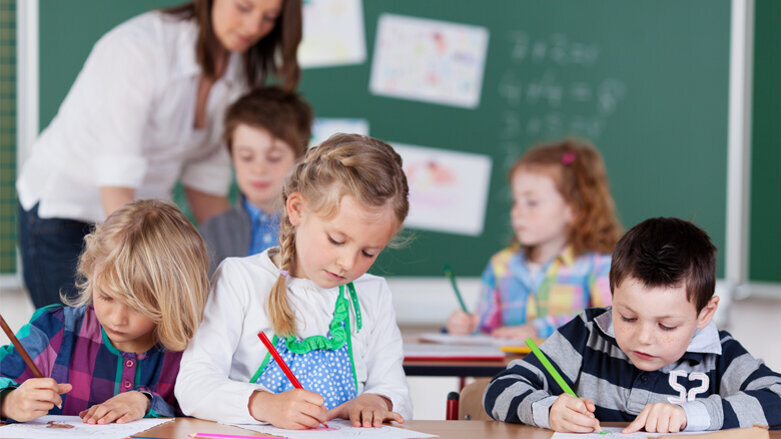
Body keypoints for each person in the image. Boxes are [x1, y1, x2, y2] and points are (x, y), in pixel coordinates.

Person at [16, 0, 302, 308]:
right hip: (67, 211)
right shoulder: (139, 50)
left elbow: (205, 184)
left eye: (269, 17)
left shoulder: (241, 70)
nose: (253, 27)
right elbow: (117, 180)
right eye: (243, 8)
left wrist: (242, 277)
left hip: (142, 215)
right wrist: (150, 270)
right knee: (84, 341)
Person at [175, 134, 413, 429]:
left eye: (369, 252)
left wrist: (377, 401)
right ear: (297, 209)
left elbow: (395, 390)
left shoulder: (372, 294)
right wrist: (265, 405)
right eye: (337, 240)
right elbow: (193, 387)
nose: (348, 263)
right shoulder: (240, 279)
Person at [483, 217, 781, 433]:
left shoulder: (719, 355)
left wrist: (689, 415)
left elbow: (777, 397)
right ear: (612, 294)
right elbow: (500, 389)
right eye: (628, 317)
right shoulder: (586, 333)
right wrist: (548, 411)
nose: (643, 338)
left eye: (667, 326)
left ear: (704, 313)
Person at [0, 199, 210, 423]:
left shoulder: (195, 347)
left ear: (177, 297)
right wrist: (8, 402)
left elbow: (213, 412)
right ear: (91, 271)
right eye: (107, 297)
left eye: (139, 306)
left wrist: (147, 402)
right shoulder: (54, 330)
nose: (117, 319)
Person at [446, 139, 622, 339]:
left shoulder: (599, 266)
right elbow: (486, 328)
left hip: (569, 371)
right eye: (515, 201)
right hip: (511, 370)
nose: (516, 212)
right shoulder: (501, 265)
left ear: (573, 209)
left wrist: (538, 329)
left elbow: (610, 321)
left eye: (532, 202)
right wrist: (467, 326)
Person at [200, 86, 313, 275]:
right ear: (232, 157)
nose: (259, 169)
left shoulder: (318, 228)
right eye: (246, 157)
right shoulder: (211, 234)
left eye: (274, 157)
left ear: (300, 159)